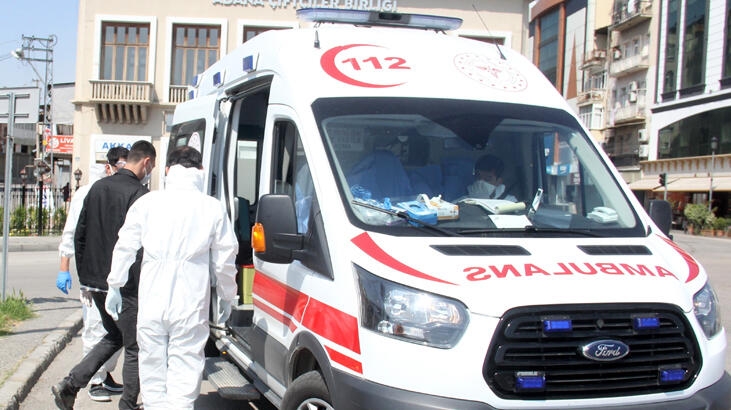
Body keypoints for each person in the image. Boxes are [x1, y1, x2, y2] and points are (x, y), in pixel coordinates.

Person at [106, 145, 238, 410]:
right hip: (190, 300)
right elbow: (225, 258)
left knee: (151, 364)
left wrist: (115, 285)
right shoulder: (212, 208)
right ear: (201, 169)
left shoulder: (147, 203)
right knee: (186, 365)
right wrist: (227, 294)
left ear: (167, 170)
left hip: (153, 297)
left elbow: (125, 247)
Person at [52, 140, 156, 410]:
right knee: (134, 345)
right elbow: (139, 246)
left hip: (94, 281)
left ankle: (70, 385)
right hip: (122, 284)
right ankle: (128, 405)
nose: (151, 172)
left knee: (114, 335)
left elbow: (80, 234)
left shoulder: (96, 188)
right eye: (152, 167)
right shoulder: (140, 195)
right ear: (146, 162)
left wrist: (85, 276)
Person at [55, 146, 129, 403]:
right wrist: (64, 268)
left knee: (116, 331)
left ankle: (104, 374)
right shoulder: (88, 193)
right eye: (119, 166)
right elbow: (71, 233)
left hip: (117, 274)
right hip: (95, 276)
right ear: (108, 167)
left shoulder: (124, 191)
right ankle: (93, 381)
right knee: (97, 328)